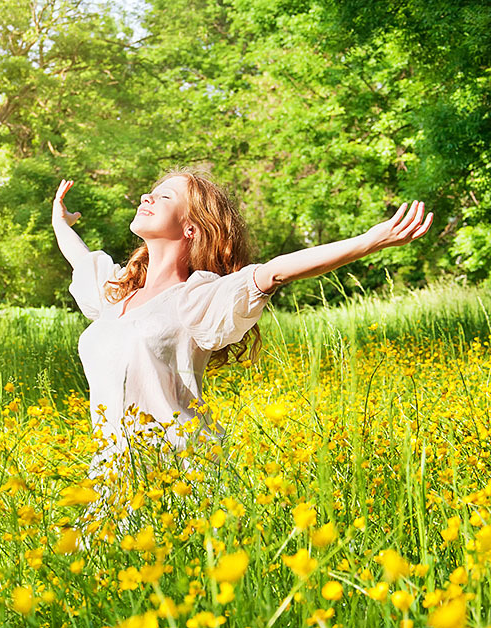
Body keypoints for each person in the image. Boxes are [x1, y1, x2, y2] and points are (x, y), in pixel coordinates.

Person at [52, 167, 432, 542]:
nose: (146, 197)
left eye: (165, 196)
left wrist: (368, 241)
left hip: (181, 474)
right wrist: (62, 222)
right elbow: (82, 261)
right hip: (114, 474)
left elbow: (275, 272)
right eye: (151, 192)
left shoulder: (196, 297)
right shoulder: (116, 295)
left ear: (191, 228)